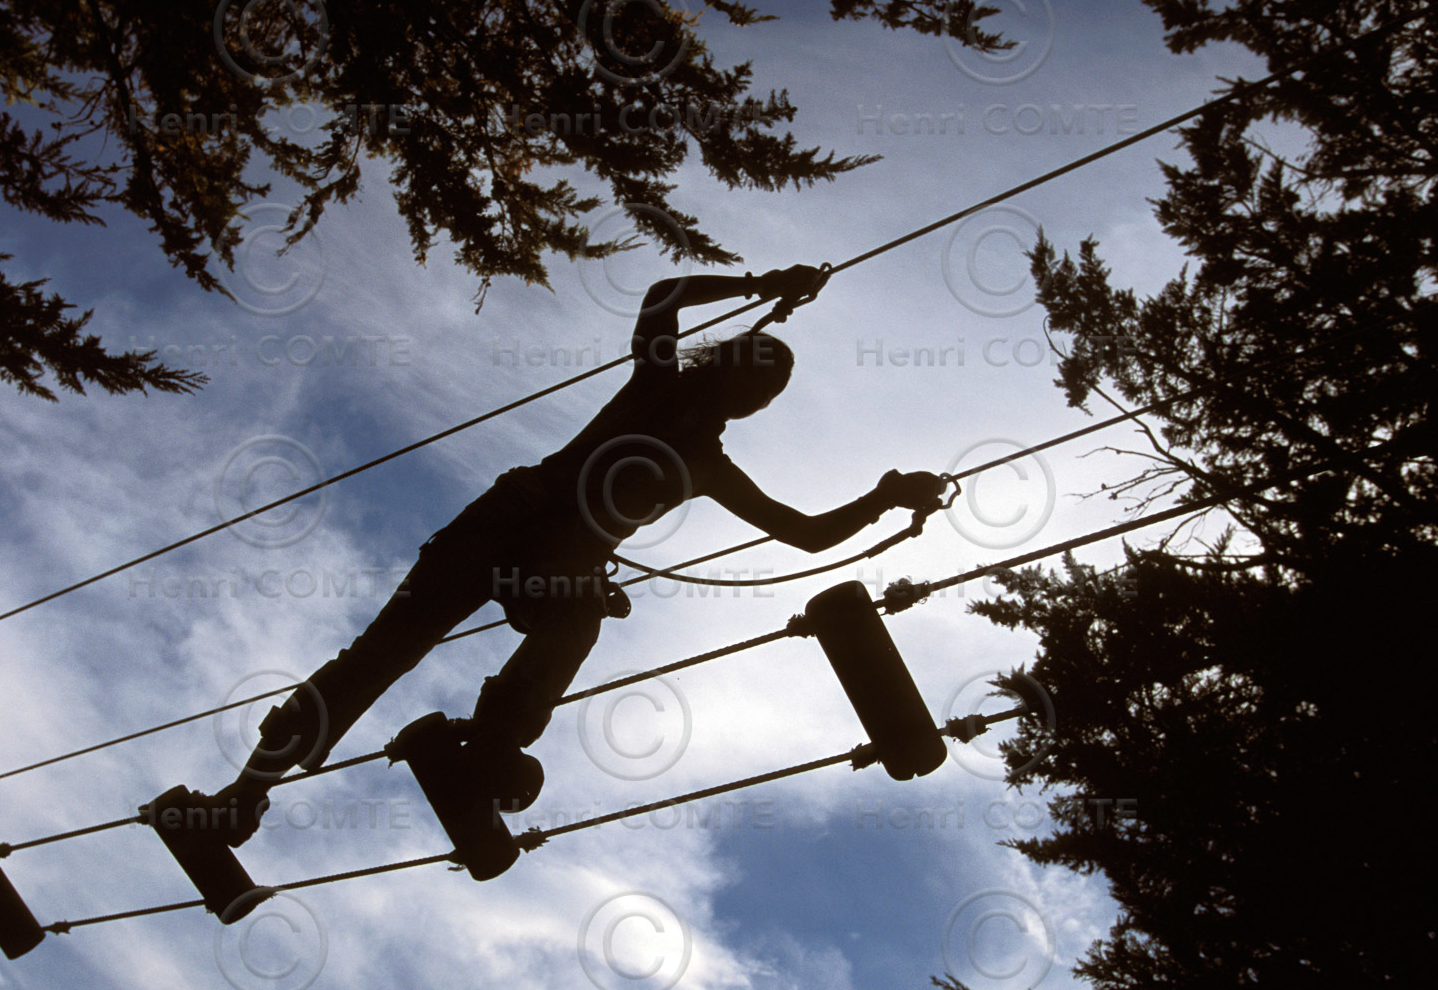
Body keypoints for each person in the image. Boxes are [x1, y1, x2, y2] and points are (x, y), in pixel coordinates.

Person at [191, 265, 947, 845]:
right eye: (762, 375)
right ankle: (246, 792)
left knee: (571, 621)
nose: (762, 394)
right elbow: (662, 298)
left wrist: (884, 497)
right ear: (730, 366)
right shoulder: (657, 389)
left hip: (547, 562)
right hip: (506, 528)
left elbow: (804, 533)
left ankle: (487, 751)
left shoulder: (707, 462)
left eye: (772, 390)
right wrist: (759, 283)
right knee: (385, 653)